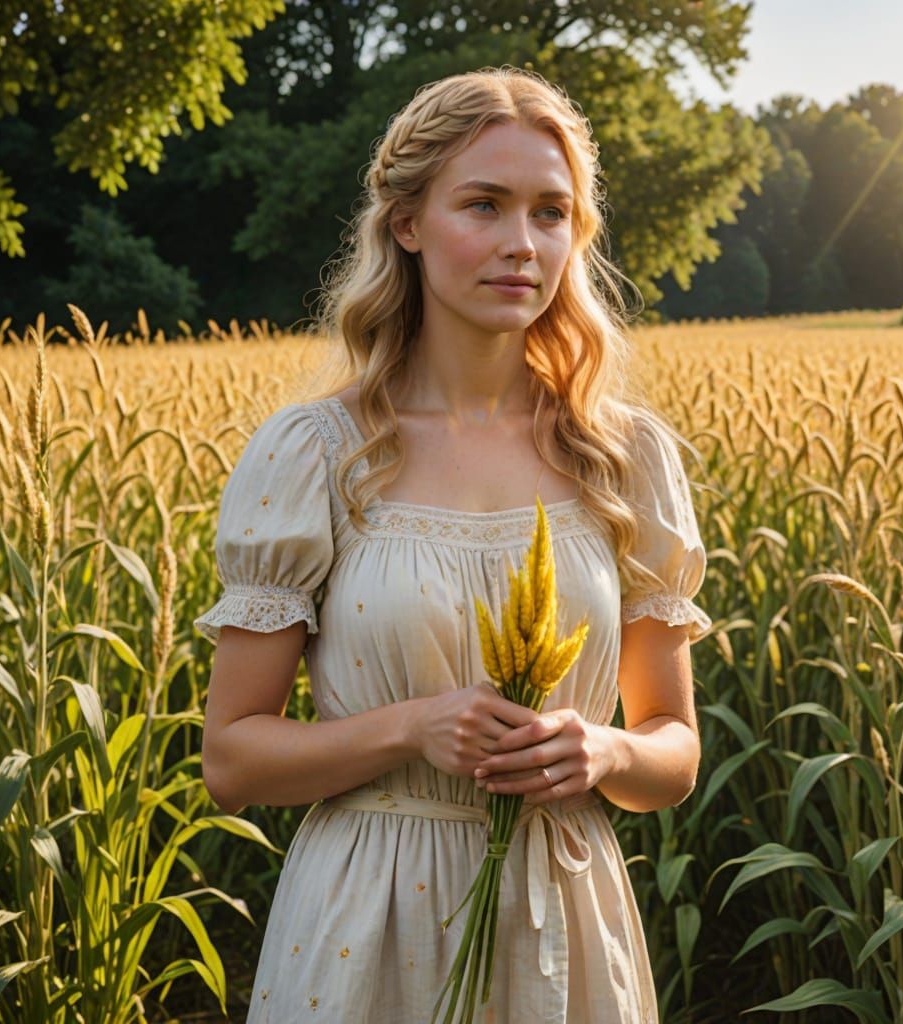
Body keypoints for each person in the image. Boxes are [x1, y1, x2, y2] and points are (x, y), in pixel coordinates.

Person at [195, 64, 712, 1023]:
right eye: (484, 204)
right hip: (364, 925)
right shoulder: (317, 454)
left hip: (563, 916)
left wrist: (600, 751)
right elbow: (231, 760)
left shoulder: (623, 457)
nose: (522, 243)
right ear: (406, 222)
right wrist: (410, 727)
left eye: (551, 212)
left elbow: (672, 754)